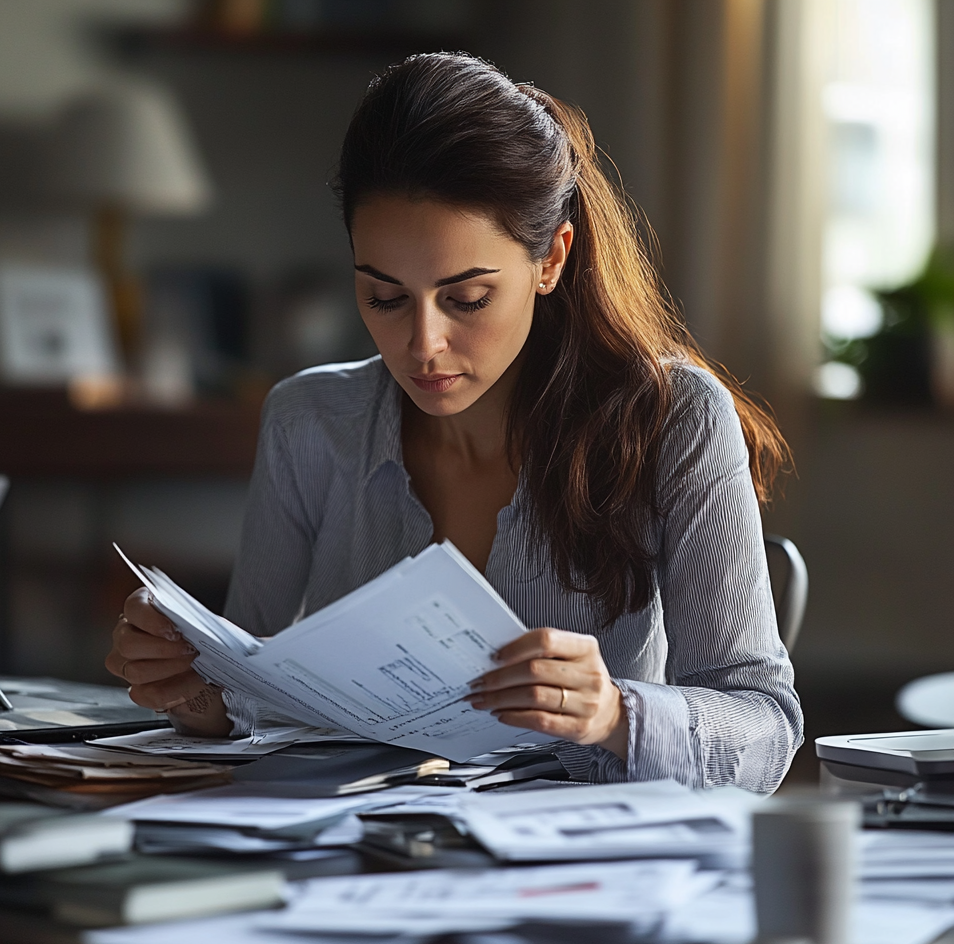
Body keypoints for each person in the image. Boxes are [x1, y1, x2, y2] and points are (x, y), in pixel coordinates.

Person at [106, 53, 802, 792]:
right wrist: (188, 688)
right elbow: (251, 700)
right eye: (384, 298)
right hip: (355, 855)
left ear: (551, 260)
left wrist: (614, 713)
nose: (423, 345)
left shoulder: (675, 421)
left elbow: (767, 729)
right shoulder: (308, 422)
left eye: (466, 298)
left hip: (575, 867)